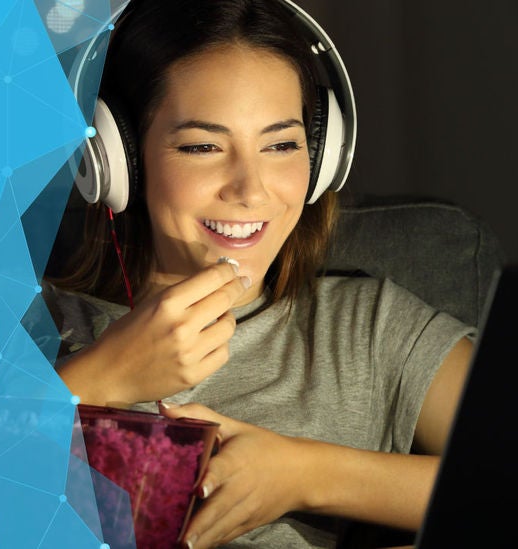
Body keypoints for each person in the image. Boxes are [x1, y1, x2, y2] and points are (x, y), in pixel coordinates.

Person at [42, 0, 476, 547]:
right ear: (114, 157)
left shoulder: (367, 328)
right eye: (202, 146)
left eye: (281, 145)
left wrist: (305, 475)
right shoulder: (18, 322)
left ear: (322, 156)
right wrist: (97, 379)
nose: (251, 189)